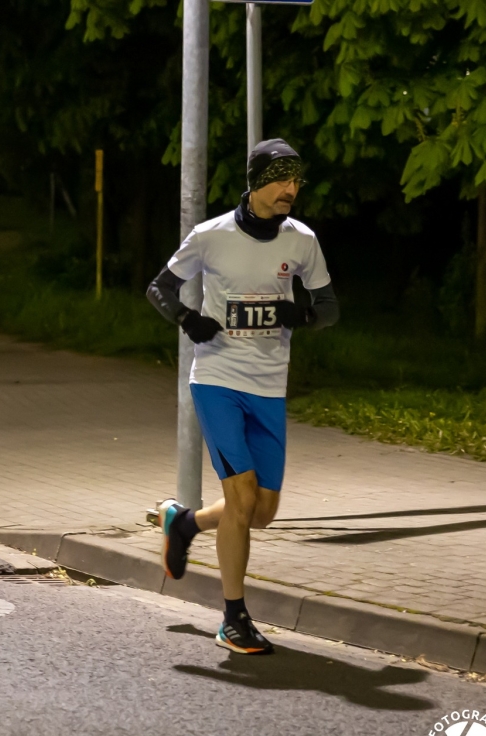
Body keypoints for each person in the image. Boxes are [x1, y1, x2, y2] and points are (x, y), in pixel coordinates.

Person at [146, 138, 340, 655]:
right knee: (242, 497)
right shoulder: (211, 236)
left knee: (262, 510)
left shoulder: (301, 240)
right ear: (254, 181)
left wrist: (306, 314)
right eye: (280, 179)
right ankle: (233, 618)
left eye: (296, 180)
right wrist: (188, 319)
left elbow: (330, 307)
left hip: (269, 386)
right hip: (217, 381)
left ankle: (183, 524)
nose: (290, 190)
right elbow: (159, 288)